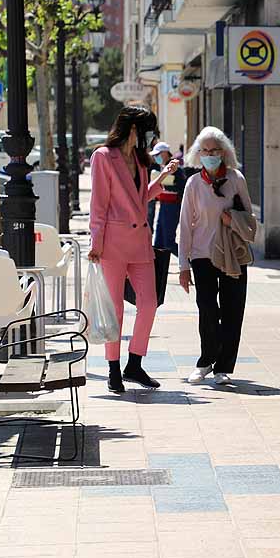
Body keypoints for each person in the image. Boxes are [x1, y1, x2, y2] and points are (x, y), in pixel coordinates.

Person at [87, 106, 180, 393]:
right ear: (133, 129)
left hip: (140, 243)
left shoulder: (141, 160)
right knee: (114, 309)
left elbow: (141, 200)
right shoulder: (103, 157)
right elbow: (98, 203)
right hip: (112, 244)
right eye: (149, 130)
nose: (151, 137)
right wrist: (95, 243)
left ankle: (134, 363)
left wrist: (162, 176)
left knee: (149, 303)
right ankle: (114, 369)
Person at [178, 126, 253, 385]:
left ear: (224, 152)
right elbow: (185, 226)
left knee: (233, 310)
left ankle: (224, 367)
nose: (210, 154)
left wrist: (232, 218)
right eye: (205, 150)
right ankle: (205, 361)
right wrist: (183, 266)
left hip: (233, 254)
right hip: (202, 256)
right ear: (198, 154)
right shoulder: (193, 183)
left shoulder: (236, 179)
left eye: (214, 150)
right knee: (207, 309)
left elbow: (249, 218)